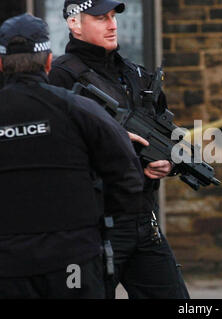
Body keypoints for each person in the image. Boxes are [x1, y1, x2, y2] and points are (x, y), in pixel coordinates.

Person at [0, 13, 150, 299]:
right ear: (48, 62)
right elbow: (128, 178)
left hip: (7, 267)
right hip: (73, 262)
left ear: (0, 64)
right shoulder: (80, 110)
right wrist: (97, 223)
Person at [49, 0, 190, 299]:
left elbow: (169, 134)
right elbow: (52, 152)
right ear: (75, 23)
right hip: (91, 228)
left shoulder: (136, 75)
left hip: (143, 221)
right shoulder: (61, 76)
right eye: (101, 18)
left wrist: (170, 163)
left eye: (113, 17)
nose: (112, 25)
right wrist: (110, 140)